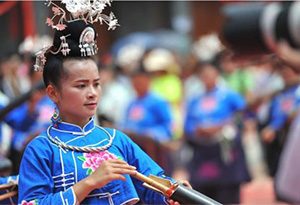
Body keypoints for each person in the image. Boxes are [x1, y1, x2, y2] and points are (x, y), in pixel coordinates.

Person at [18, 2, 185, 204]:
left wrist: (172, 193)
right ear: (53, 93)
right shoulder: (42, 149)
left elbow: (153, 183)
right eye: (81, 86)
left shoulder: (116, 140)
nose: (92, 93)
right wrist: (89, 183)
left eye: (96, 84)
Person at [184, 62, 250, 204]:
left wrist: (221, 126)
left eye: (210, 74)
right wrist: (198, 131)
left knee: (227, 194)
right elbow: (188, 125)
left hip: (224, 150)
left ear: (217, 75)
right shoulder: (195, 99)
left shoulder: (229, 95)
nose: (207, 78)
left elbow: (243, 114)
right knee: (203, 194)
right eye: (204, 75)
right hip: (202, 151)